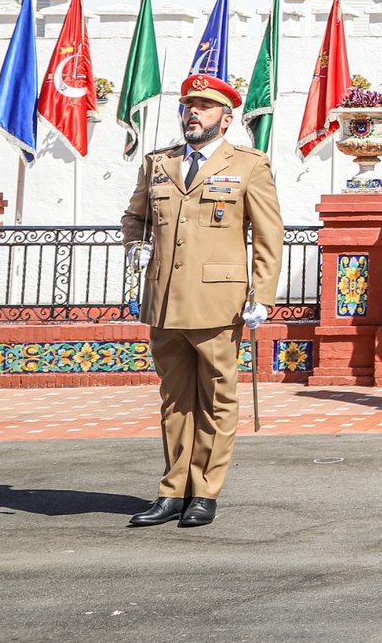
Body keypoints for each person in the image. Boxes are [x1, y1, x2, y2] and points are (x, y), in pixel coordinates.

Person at [119, 73, 282, 528]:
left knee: (216, 398)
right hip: (165, 299)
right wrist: (137, 246)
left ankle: (205, 491)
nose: (193, 113)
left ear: (225, 119)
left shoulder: (249, 165)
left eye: (205, 107)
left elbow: (269, 235)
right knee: (174, 399)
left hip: (218, 300)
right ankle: (172, 490)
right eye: (189, 105)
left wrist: (262, 295)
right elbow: (134, 217)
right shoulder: (159, 163)